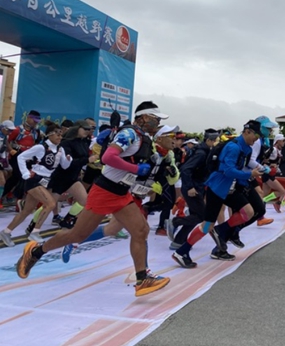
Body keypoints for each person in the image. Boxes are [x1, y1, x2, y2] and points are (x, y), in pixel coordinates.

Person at [14, 101, 171, 297]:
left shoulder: (142, 137)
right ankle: (36, 252)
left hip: (121, 192)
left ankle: (143, 279)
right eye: (156, 119)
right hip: (105, 191)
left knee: (141, 230)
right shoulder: (129, 134)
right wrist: (136, 169)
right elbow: (108, 157)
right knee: (77, 235)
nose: (158, 123)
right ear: (145, 117)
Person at [172, 120, 264, 268]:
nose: (256, 140)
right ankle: (182, 252)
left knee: (248, 212)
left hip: (228, 188)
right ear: (247, 132)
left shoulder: (245, 148)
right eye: (256, 136)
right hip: (216, 188)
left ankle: (220, 231)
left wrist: (247, 181)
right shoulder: (233, 147)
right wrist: (249, 175)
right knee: (207, 225)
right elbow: (228, 170)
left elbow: (236, 169)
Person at [0, 122, 72, 247]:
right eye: (57, 134)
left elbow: (64, 166)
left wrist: (68, 160)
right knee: (50, 204)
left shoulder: (60, 149)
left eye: (61, 135)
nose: (60, 137)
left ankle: (6, 232)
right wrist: (25, 173)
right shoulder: (40, 147)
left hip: (45, 181)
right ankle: (35, 232)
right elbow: (21, 157)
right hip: (34, 180)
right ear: (50, 135)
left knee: (27, 211)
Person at [168, 129, 219, 250]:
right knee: (202, 216)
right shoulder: (201, 153)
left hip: (197, 187)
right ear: (209, 140)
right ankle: (175, 222)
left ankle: (178, 241)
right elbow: (186, 169)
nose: (217, 143)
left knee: (194, 215)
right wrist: (190, 187)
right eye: (216, 141)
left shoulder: (205, 151)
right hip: (192, 188)